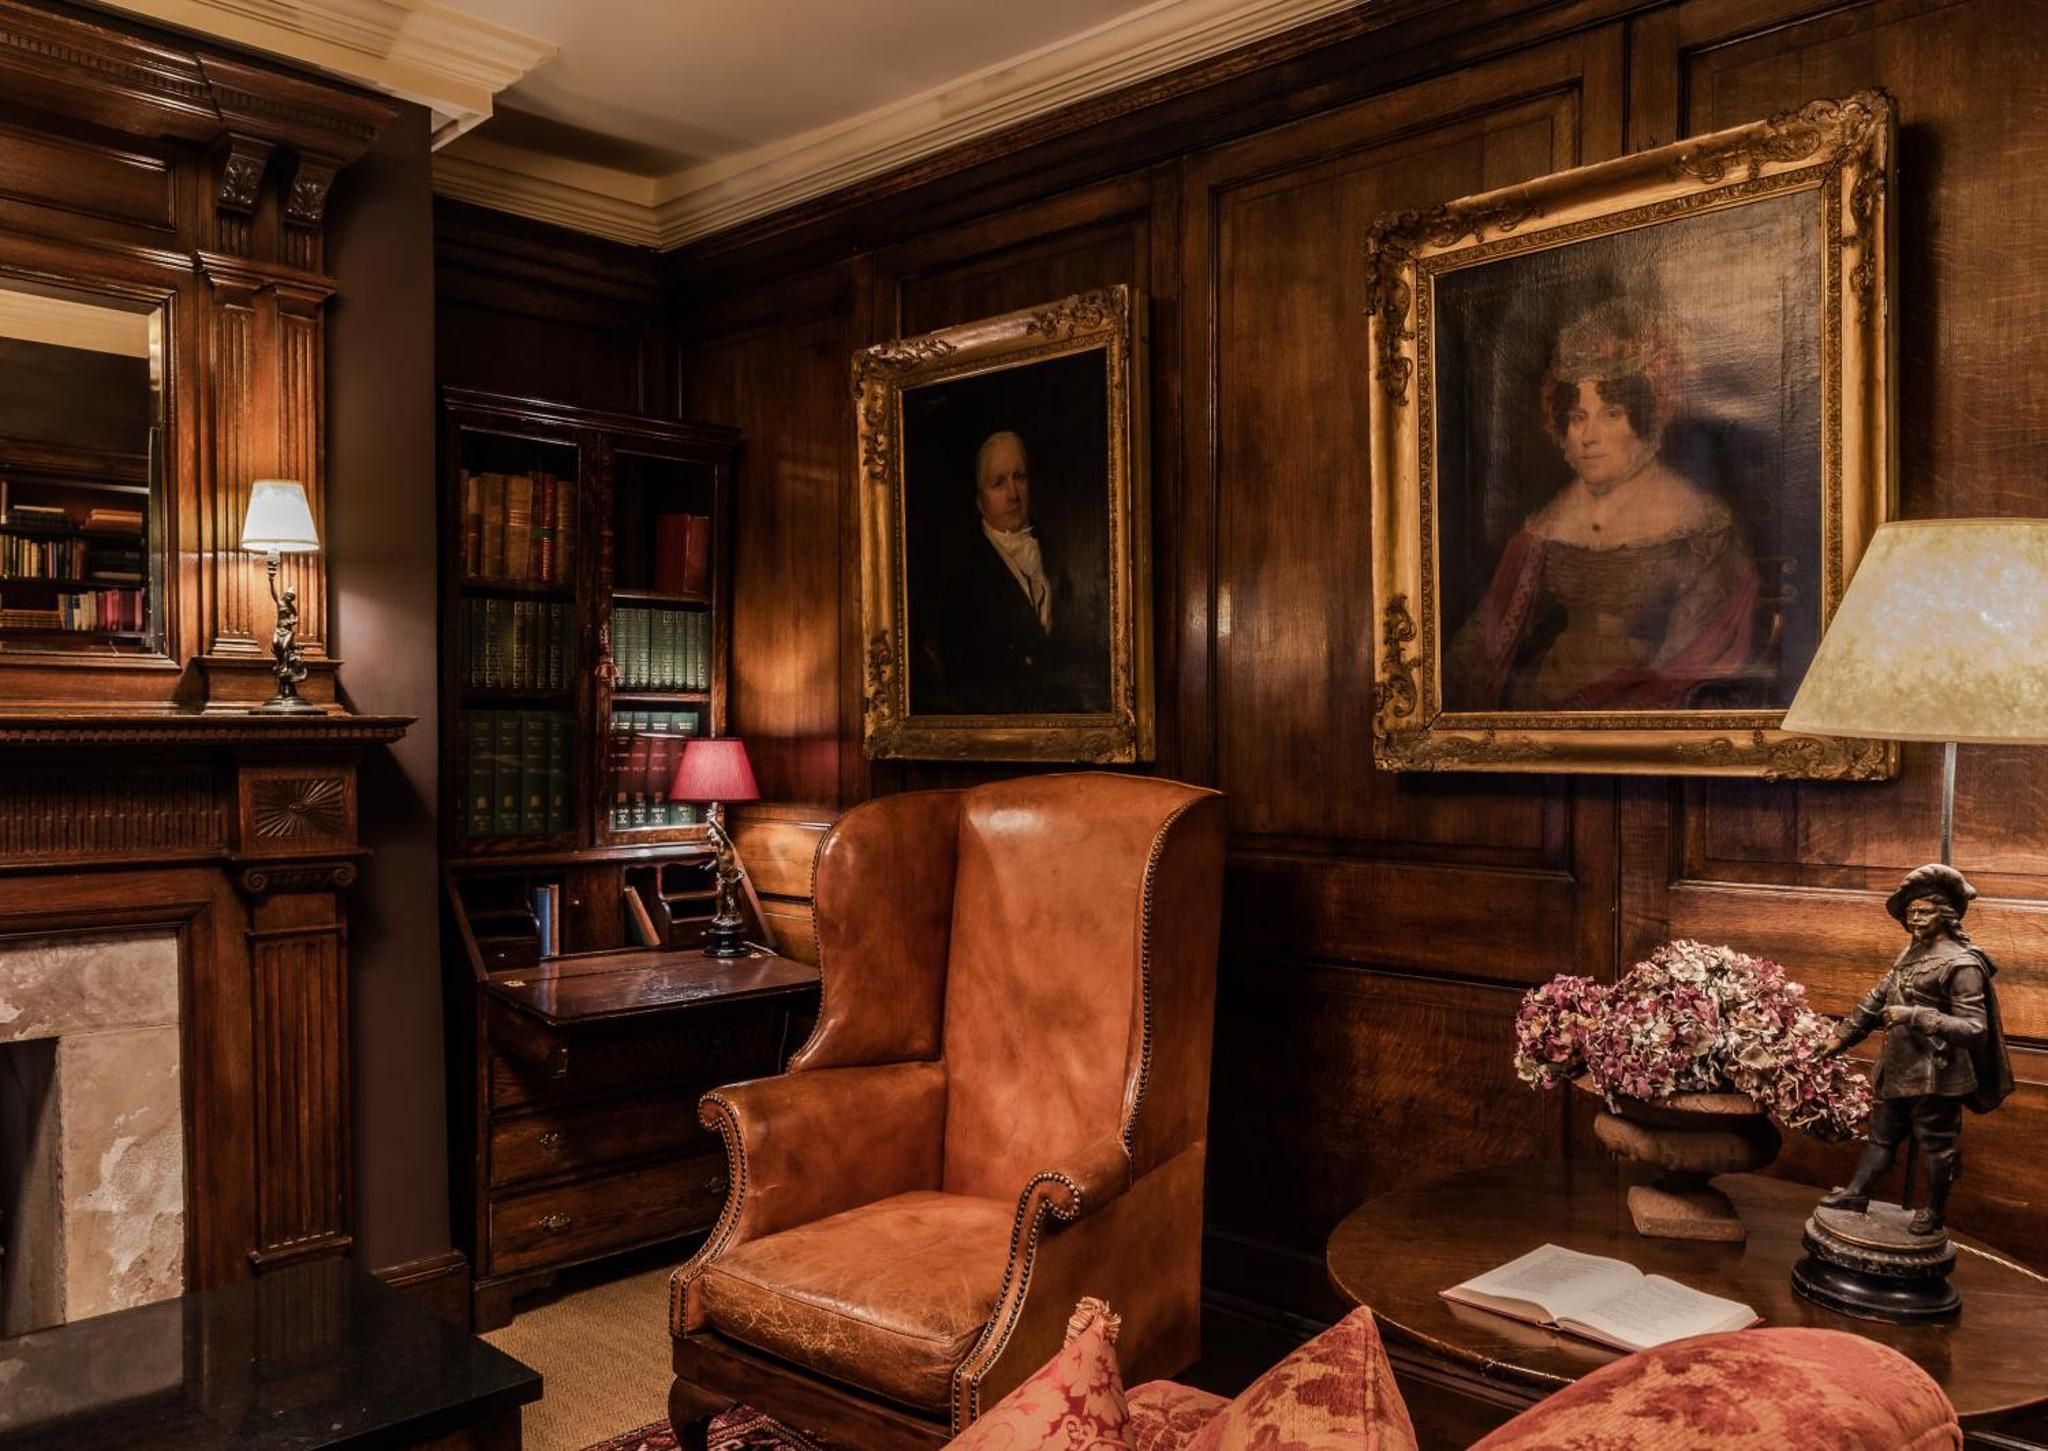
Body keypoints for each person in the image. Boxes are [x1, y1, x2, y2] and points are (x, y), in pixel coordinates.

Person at [1444, 300, 1763, 711]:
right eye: (1578, 417)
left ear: (1647, 420)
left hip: (1638, 711)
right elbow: (1489, 626)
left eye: (1611, 414)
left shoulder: (1700, 527)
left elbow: (1693, 657)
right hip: (1541, 704)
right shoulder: (1550, 524)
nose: (1588, 436)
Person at [1819, 864, 2014, 1236]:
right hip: (1898, 1068)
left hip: (1938, 1074)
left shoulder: (1963, 964)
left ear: (1946, 914)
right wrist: (1840, 1038)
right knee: (1881, 1136)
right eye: (1910, 913)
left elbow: (1974, 1028)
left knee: (1936, 1146)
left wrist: (1915, 1015)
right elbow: (1876, 999)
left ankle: (1934, 1212)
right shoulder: (1909, 955)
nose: (1914, 920)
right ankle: (1857, 1194)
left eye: (1923, 912)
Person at [916, 429, 1104, 715]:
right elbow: (963, 686)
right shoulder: (962, 577)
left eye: (1020, 477)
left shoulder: (1060, 554)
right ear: (980, 501)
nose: (1013, 494)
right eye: (998, 483)